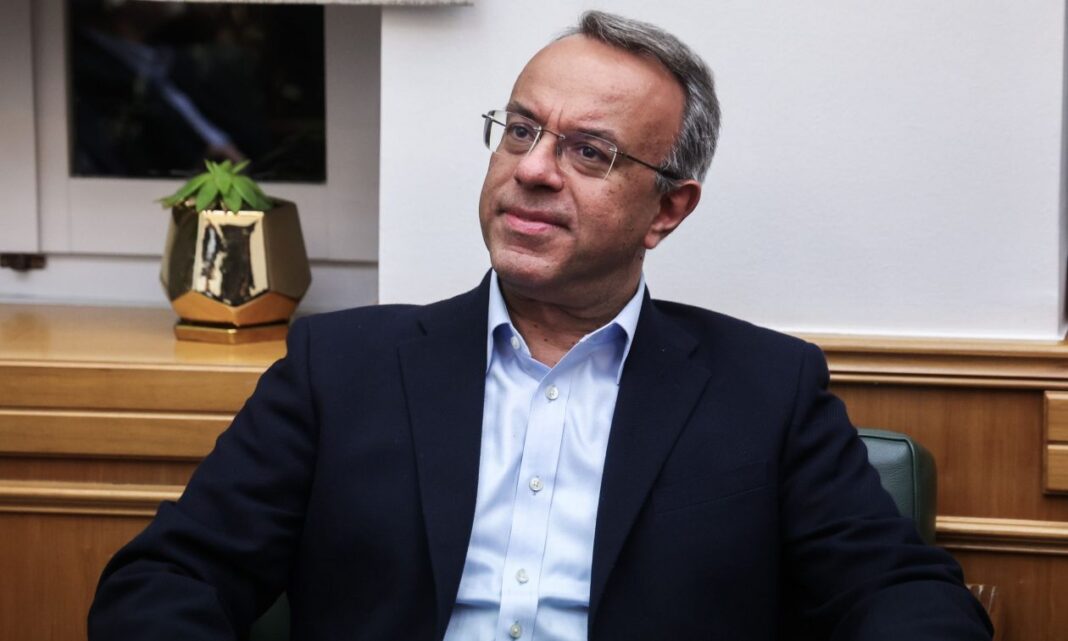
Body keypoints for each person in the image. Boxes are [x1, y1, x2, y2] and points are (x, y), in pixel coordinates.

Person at [89, 11, 993, 641]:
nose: (532, 169)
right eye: (520, 131)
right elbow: (169, 578)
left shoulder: (767, 389)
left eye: (588, 152)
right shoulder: (342, 367)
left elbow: (900, 593)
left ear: (667, 209)